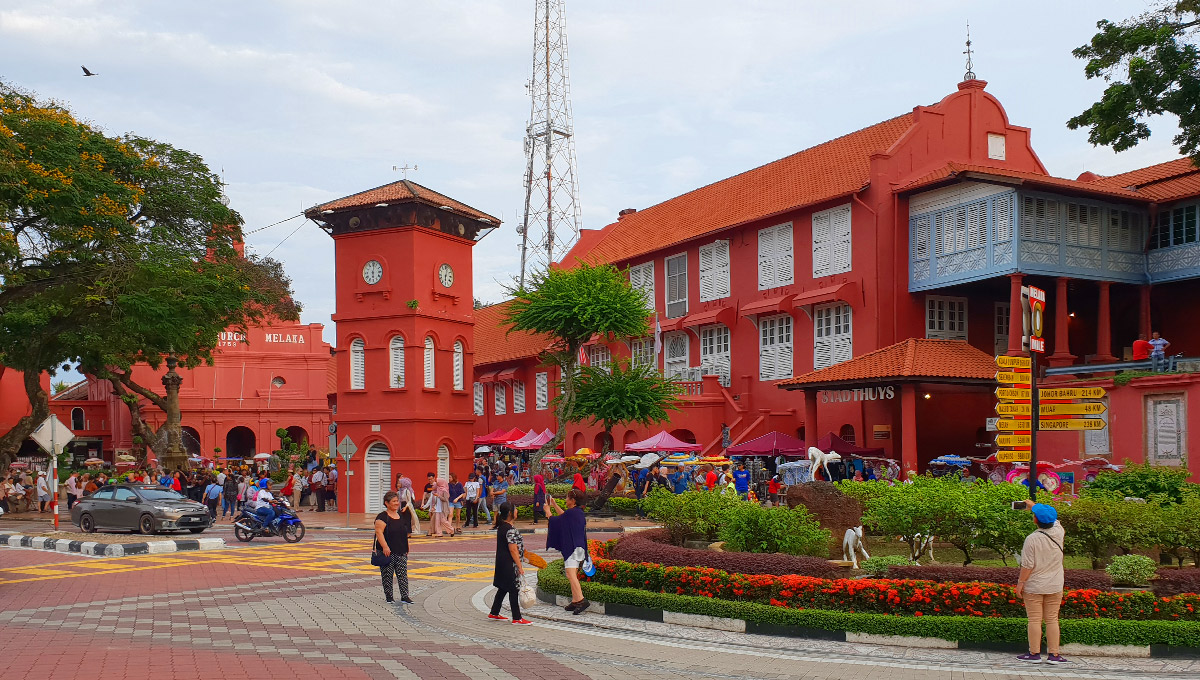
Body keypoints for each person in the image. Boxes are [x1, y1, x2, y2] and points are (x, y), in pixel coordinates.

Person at [1015, 500, 1068, 665]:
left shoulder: (1031, 539)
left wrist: (1020, 583)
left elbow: (1027, 565)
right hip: (1055, 585)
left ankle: (1034, 654)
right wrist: (1035, 506)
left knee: (1034, 620)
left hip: (1034, 585)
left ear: (1035, 520)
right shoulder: (1059, 532)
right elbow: (1054, 518)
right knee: (1052, 619)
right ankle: (1054, 655)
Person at [486, 501, 531, 625]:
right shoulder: (510, 529)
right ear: (511, 513)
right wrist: (520, 566)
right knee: (513, 589)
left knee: (503, 588)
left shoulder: (501, 527)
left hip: (501, 562)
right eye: (515, 509)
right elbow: (513, 549)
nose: (517, 511)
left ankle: (494, 612)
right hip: (509, 564)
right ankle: (517, 617)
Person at [546, 488, 589, 614]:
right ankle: (575, 600)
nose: (565, 500)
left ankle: (581, 600)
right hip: (580, 547)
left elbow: (556, 521)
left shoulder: (573, 513)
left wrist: (548, 511)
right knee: (572, 575)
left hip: (573, 548)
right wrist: (554, 504)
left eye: (567, 498)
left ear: (573, 500)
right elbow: (564, 517)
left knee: (570, 574)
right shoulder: (577, 512)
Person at [374, 490, 414, 604]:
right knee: (387, 575)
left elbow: (404, 533)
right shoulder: (382, 517)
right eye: (394, 501)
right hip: (387, 551)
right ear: (387, 503)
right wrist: (385, 547)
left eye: (397, 501)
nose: (396, 503)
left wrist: (406, 548)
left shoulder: (400, 515)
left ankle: (405, 596)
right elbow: (379, 533)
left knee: (403, 575)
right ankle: (389, 597)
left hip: (401, 550)